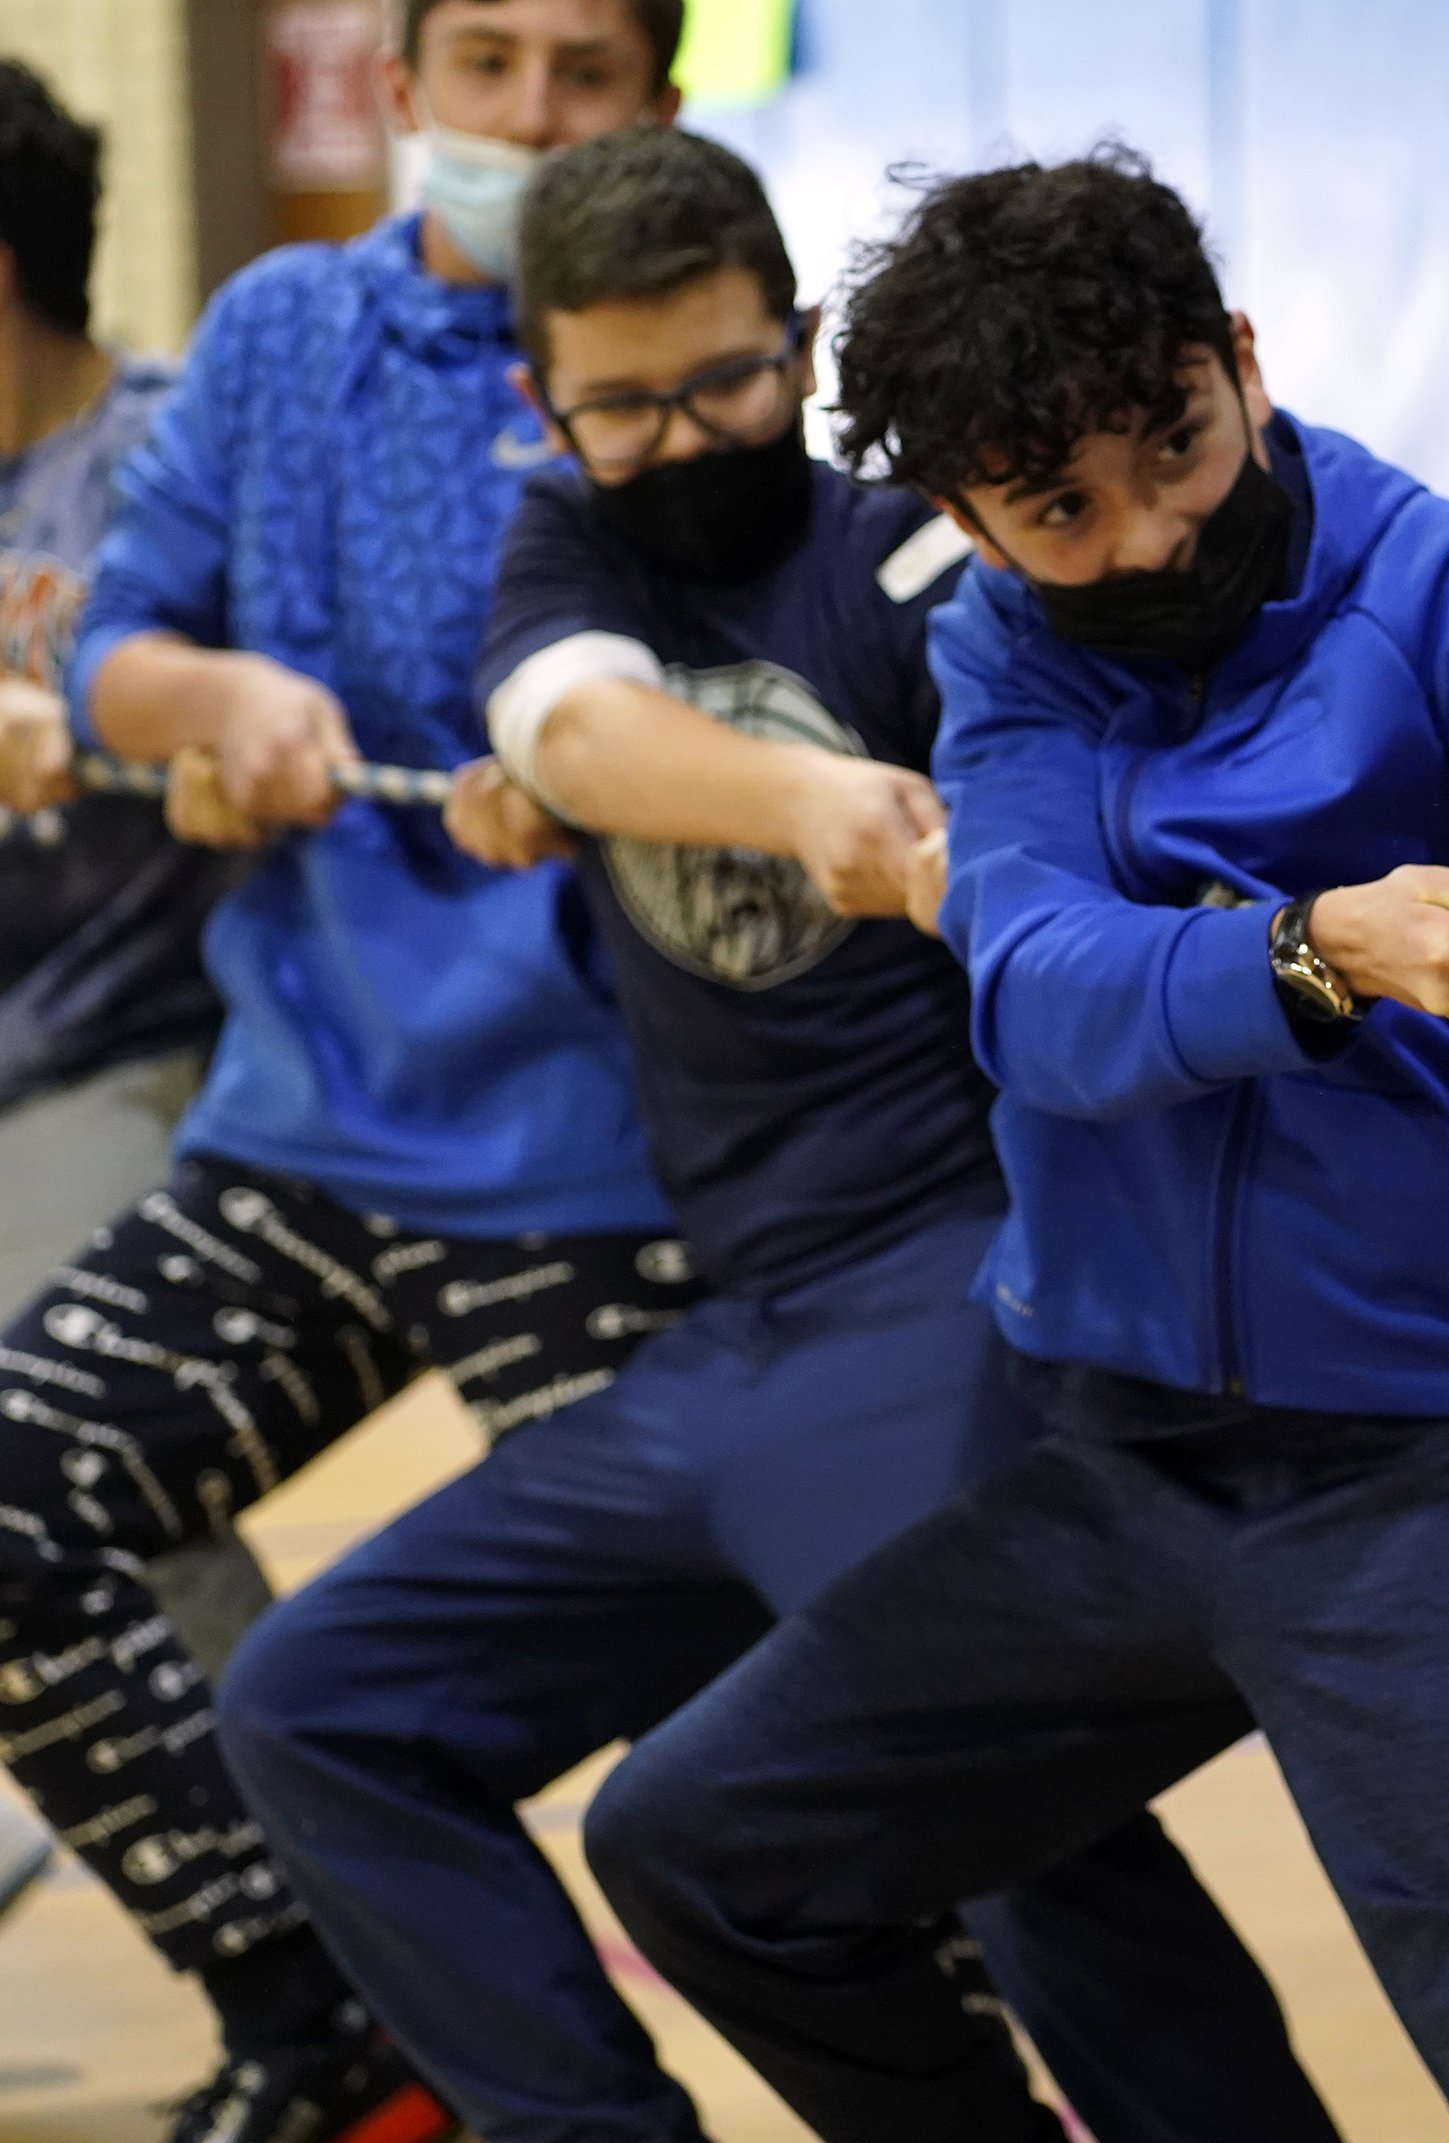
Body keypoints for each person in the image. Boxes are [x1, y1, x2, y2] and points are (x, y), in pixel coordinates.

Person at [575, 148, 1449, 2143]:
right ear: (964, 519)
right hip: (1094, 1453)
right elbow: (1033, 988)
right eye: (1059, 511)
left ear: (1243, 360)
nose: (1143, 535)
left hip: (1440, 1447)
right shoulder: (1002, 656)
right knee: (705, 1850)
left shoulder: (1436, 574)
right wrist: (1314, 950)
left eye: (1176, 448)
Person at [214, 126, 1335, 2143]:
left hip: (947, 1282)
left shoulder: (915, 565)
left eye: (722, 381)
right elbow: (566, 720)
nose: (677, 434)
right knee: (316, 1704)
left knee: (1022, 1822)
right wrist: (797, 804)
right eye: (618, 403)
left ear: (799, 348)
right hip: (729, 1345)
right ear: (547, 402)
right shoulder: (576, 542)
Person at [0, 7, 694, 2139]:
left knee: (766, 1719)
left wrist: (622, 764)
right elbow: (121, 644)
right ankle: (342, 2041)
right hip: (298, 1146)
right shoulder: (281, 328)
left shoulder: (691, 348)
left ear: (656, 107)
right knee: (17, 1501)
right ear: (399, 91)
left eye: (584, 74)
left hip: (609, 1170)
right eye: (482, 63)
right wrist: (205, 689)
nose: (528, 117)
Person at [0, 55, 265, 1928]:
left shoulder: (171, 457)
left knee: (61, 1449)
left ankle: (351, 1911)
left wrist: (83, 724)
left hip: (144, 1039)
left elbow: (253, 734)